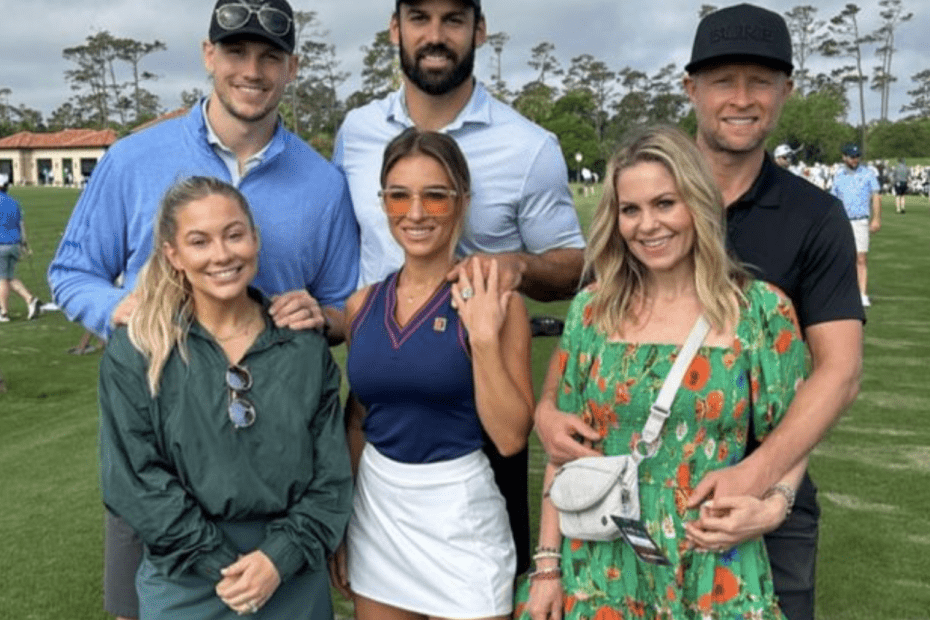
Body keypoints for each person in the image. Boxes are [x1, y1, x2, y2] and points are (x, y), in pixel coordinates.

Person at [533, 5, 864, 620]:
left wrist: (766, 490)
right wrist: (546, 414)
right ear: (692, 89)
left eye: (760, 81)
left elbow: (835, 377)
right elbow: (571, 391)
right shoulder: (613, 274)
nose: (741, 98)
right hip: (608, 538)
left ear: (785, 90)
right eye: (722, 81)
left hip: (745, 519)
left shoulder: (808, 226)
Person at [47, 1, 360, 618]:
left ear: (292, 67)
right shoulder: (133, 159)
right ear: (208, 55)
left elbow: (348, 305)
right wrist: (129, 312)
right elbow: (70, 272)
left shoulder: (323, 184)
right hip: (162, 442)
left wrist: (324, 316)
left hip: (279, 467)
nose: (253, 70)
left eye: (270, 56)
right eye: (237, 52)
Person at [333, 0, 585, 575]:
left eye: (453, 19)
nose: (435, 35)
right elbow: (349, 257)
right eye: (419, 18)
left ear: (479, 29)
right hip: (382, 392)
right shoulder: (357, 133)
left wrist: (512, 269)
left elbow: (575, 264)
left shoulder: (529, 146)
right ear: (396, 29)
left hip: (477, 401)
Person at [517, 125, 808, 620]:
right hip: (600, 565)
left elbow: (794, 434)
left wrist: (774, 505)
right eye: (631, 210)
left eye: (665, 204)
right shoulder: (592, 311)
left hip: (715, 562)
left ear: (698, 203)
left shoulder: (761, 313)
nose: (648, 225)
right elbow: (565, 455)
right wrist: (547, 567)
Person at [100, 176, 352, 620]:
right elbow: (134, 480)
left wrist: (278, 558)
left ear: (255, 239)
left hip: (291, 575)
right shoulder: (138, 349)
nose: (222, 255)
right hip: (185, 580)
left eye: (234, 235)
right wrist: (223, 566)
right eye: (199, 241)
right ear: (173, 255)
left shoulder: (304, 348)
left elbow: (331, 479)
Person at [329, 128, 534, 619]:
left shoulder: (498, 302)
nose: (415, 213)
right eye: (399, 196)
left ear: (462, 201)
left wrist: (483, 336)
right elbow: (359, 419)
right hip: (378, 512)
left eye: (435, 196)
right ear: (383, 203)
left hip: (460, 515)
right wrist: (342, 524)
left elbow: (509, 437)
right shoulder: (363, 305)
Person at [831, 143, 881, 308]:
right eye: (852, 157)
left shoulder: (867, 174)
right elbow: (834, 199)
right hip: (842, 221)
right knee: (843, 258)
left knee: (861, 258)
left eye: (857, 156)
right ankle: (844, 293)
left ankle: (862, 294)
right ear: (844, 157)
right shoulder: (838, 175)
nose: (855, 159)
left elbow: (876, 196)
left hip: (860, 220)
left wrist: (876, 218)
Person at [0, 178, 42, 322]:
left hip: (2, 244)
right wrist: (25, 244)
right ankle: (30, 300)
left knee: (3, 279)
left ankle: (5, 312)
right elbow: (21, 224)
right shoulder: (14, 202)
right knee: (9, 277)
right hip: (14, 244)